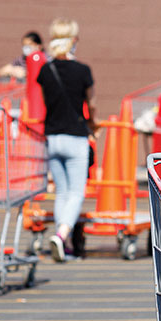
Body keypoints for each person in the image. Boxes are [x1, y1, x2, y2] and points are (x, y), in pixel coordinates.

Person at [37, 18, 96, 262]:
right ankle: (61, 235)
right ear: (73, 40)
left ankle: (64, 243)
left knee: (61, 192)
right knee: (76, 193)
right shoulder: (82, 71)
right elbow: (90, 105)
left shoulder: (45, 70)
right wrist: (93, 125)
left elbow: (46, 103)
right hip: (75, 136)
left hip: (52, 137)